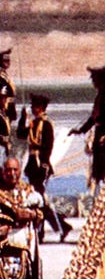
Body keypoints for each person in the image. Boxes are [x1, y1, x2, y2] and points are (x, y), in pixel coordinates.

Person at [16, 93, 73, 242]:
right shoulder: (33, 123)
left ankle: (49, 229)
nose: (33, 109)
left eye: (35, 107)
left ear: (41, 108)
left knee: (39, 200)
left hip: (41, 165)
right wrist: (23, 118)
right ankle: (59, 226)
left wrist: (44, 165)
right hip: (32, 166)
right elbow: (21, 134)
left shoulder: (46, 124)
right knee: (38, 200)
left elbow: (48, 146)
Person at [69, 66, 105, 186]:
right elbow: (94, 117)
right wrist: (81, 130)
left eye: (97, 82)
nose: (95, 85)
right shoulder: (102, 96)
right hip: (101, 134)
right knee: (99, 168)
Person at [0, 48, 17, 122]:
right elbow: (3, 92)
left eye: (8, 61)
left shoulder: (4, 74)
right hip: (3, 107)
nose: (7, 63)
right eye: (5, 61)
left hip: (8, 106)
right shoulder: (1, 76)